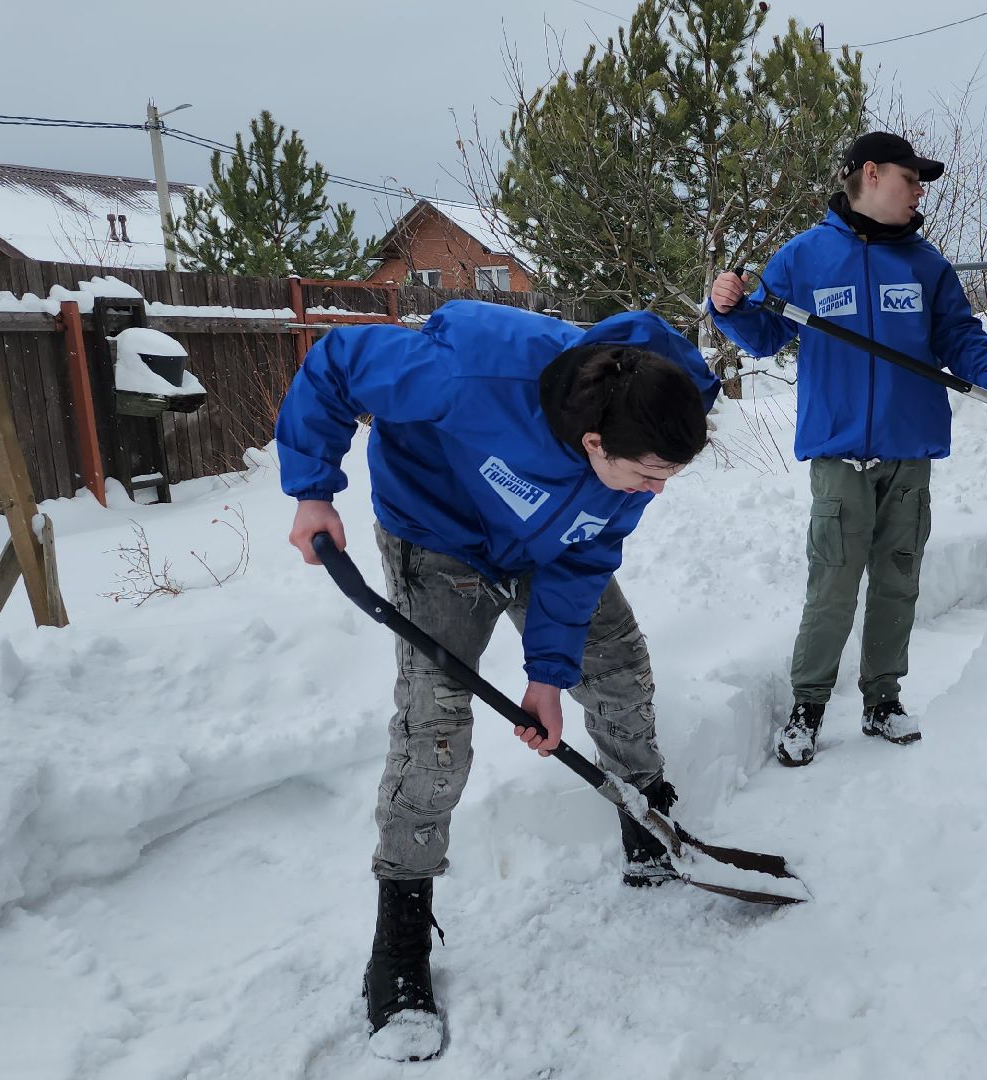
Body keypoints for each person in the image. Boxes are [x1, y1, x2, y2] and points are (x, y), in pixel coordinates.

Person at [273, 298, 719, 1060]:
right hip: (439, 537)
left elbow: (582, 557)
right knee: (435, 727)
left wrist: (547, 675)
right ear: (591, 440)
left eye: (668, 476)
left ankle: (648, 818)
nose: (657, 491)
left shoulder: (647, 433)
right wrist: (314, 489)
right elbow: (338, 364)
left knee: (616, 668)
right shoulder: (468, 376)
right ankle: (400, 940)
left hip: (545, 548)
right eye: (648, 475)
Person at [709, 130, 987, 768]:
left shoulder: (926, 265)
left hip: (907, 453)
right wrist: (727, 306)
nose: (920, 193)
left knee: (897, 581)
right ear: (870, 173)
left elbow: (959, 336)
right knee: (832, 584)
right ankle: (807, 705)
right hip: (839, 454)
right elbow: (762, 332)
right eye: (911, 179)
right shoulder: (805, 257)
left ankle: (882, 699)